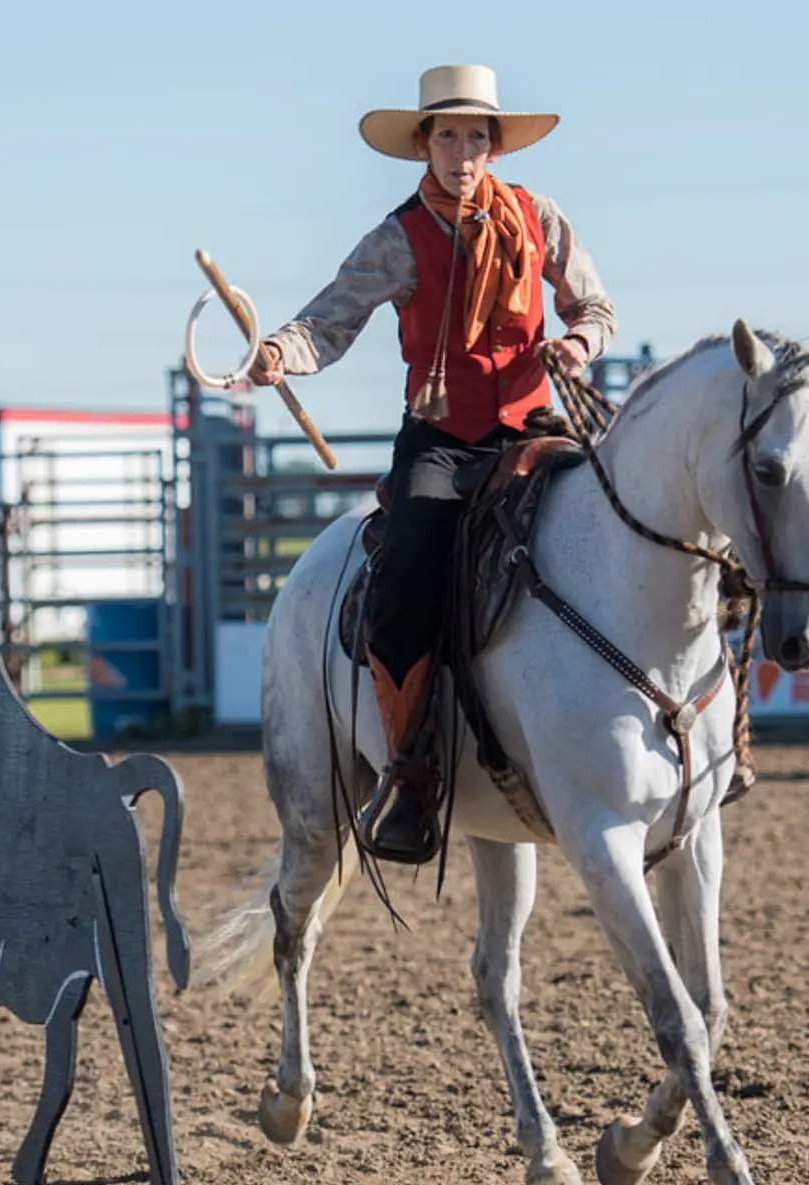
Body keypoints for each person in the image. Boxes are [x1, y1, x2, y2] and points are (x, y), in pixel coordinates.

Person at [246, 65, 616, 865]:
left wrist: (577, 345)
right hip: (442, 440)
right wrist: (280, 352)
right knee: (410, 563)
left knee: (624, 519)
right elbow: (327, 321)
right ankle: (411, 768)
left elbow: (595, 306)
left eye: (476, 136)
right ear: (424, 144)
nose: (463, 152)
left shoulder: (537, 217)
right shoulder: (397, 238)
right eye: (447, 136)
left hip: (534, 423)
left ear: (493, 144)